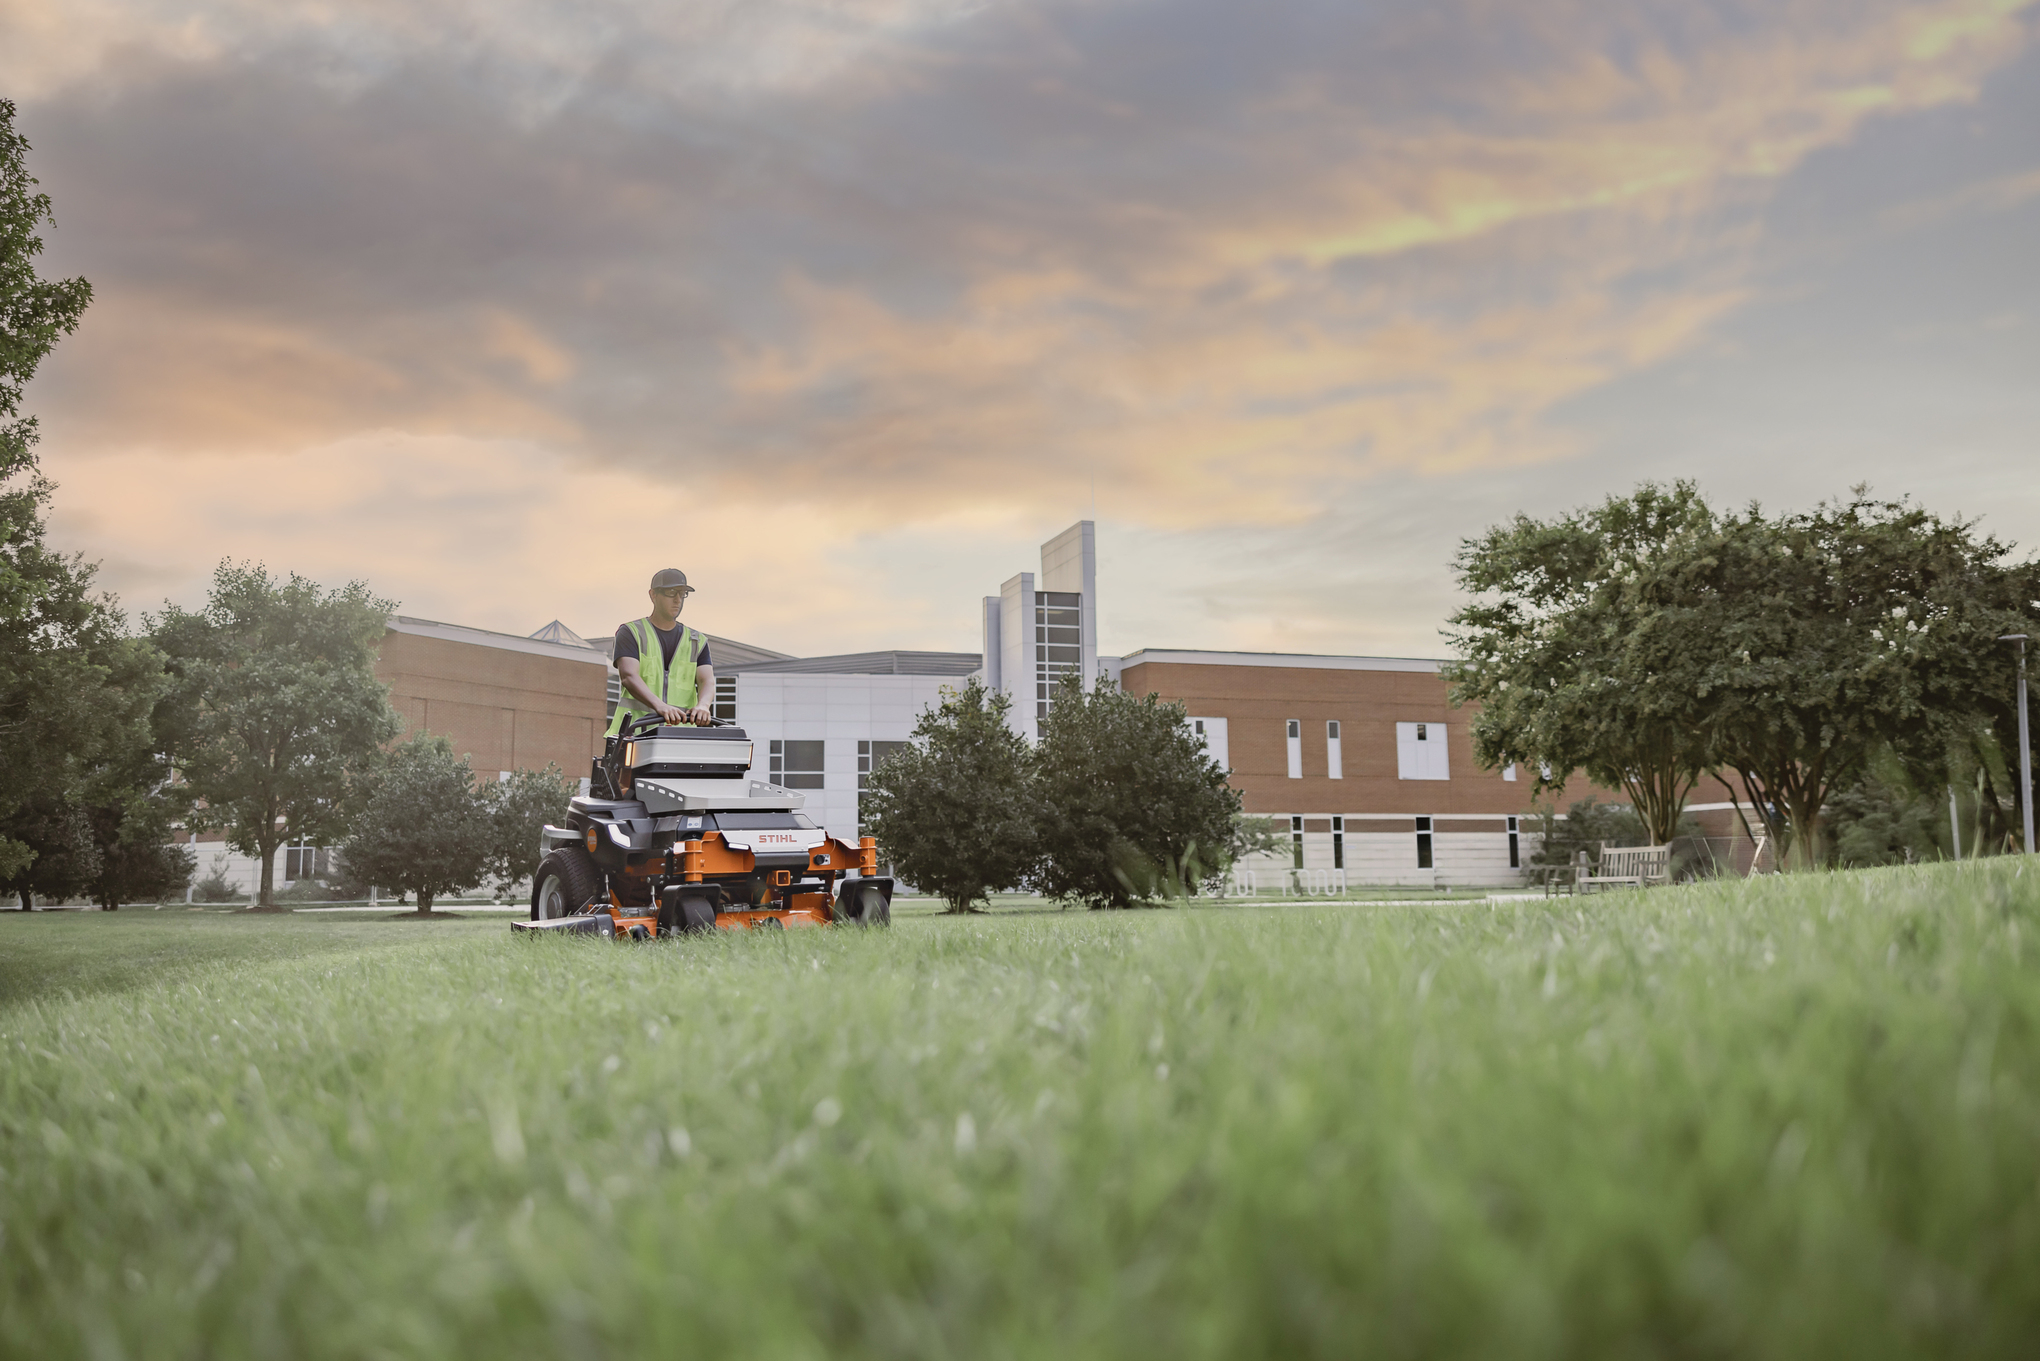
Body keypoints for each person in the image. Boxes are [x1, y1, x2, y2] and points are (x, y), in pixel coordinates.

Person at [609, 568, 715, 734]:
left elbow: (706, 680)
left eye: (682, 594)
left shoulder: (696, 641)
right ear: (653, 595)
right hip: (634, 734)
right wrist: (661, 706)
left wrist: (703, 705)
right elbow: (629, 676)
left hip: (680, 737)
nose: (678, 599)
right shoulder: (631, 633)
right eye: (671, 592)